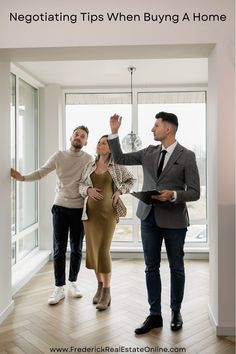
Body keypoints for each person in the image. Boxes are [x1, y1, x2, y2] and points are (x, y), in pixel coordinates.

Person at [109, 112, 200, 334]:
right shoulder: (148, 152)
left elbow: (195, 192)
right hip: (148, 217)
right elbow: (120, 159)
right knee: (151, 267)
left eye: (156, 125)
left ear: (168, 129)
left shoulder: (187, 156)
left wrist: (173, 195)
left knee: (176, 268)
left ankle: (176, 312)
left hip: (175, 221)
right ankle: (155, 315)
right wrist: (114, 132)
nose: (152, 129)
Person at [11, 126, 93, 305]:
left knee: (77, 248)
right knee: (59, 249)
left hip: (79, 209)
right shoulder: (59, 156)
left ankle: (73, 282)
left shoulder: (89, 159)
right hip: (60, 207)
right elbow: (41, 172)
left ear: (86, 142)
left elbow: (91, 183)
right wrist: (22, 177)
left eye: (83, 136)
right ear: (71, 137)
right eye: (76, 134)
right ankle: (58, 288)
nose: (79, 138)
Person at [79, 135, 135, 311]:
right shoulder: (89, 165)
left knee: (103, 251)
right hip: (89, 216)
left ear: (110, 148)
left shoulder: (116, 166)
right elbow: (80, 186)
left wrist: (119, 192)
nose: (99, 145)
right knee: (94, 252)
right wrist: (87, 189)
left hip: (108, 215)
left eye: (103, 143)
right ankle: (99, 287)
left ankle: (107, 291)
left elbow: (131, 180)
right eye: (98, 142)